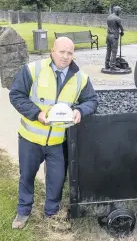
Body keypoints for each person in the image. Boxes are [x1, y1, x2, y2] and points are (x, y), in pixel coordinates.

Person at [9, 37, 98, 229]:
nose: (65, 57)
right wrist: (37, 113)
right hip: (30, 138)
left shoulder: (81, 78)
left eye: (70, 53)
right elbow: (16, 94)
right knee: (27, 176)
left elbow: (92, 100)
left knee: (56, 179)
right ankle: (23, 211)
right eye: (62, 52)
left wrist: (80, 110)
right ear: (52, 51)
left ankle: (51, 212)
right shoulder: (33, 70)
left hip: (58, 141)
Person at [104, 6, 124, 70]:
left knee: (108, 51)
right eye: (119, 10)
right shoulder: (117, 18)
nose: (120, 12)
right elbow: (121, 27)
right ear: (117, 11)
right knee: (114, 51)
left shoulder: (109, 17)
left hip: (108, 35)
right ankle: (113, 66)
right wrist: (122, 32)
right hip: (114, 36)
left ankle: (107, 65)